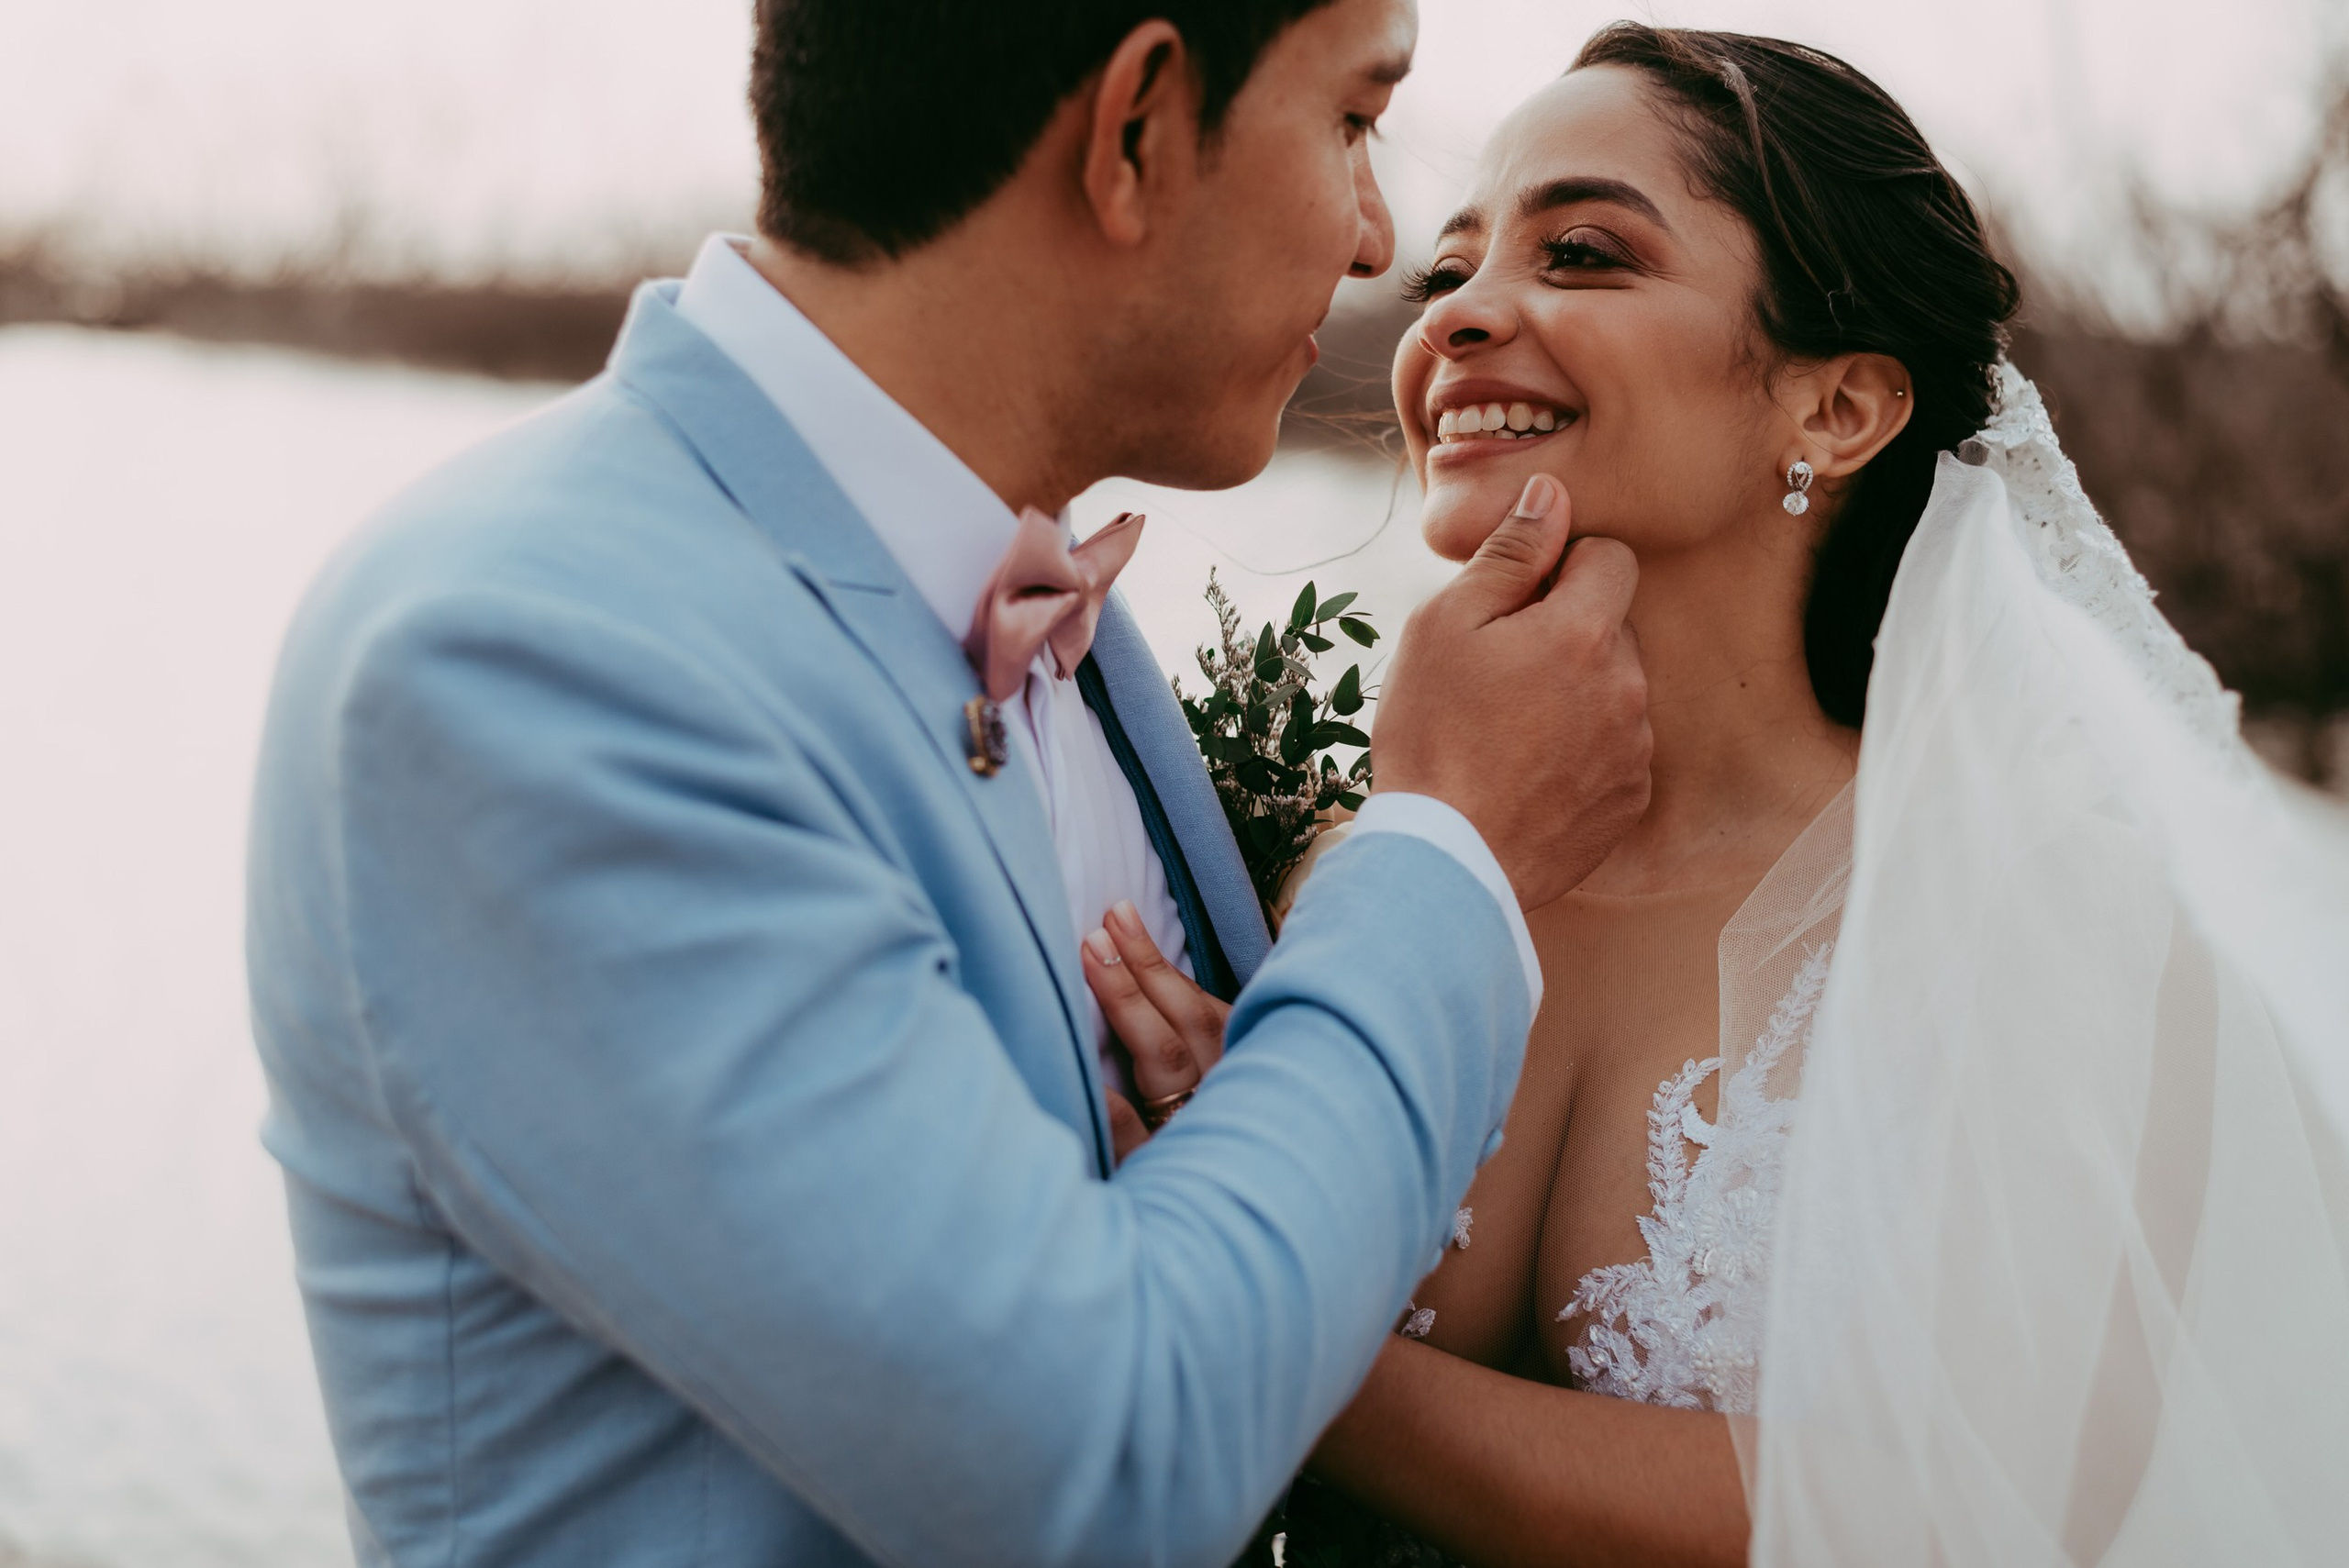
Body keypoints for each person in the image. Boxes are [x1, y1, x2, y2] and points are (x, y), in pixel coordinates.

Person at [244, 3, 1656, 1565]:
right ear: (1134, 131)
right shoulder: (528, 659)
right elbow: (1100, 1465)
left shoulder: (1055, 616)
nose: (1381, 231)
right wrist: (1445, 847)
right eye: (1351, 122)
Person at [1098, 25, 2349, 1567]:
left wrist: (1234, 1323)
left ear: (1837, 410)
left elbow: (1947, 1510)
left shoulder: (2043, 914)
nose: (1463, 318)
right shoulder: (1377, 880)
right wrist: (1267, 1139)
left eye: (1582, 252)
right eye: (1450, 271)